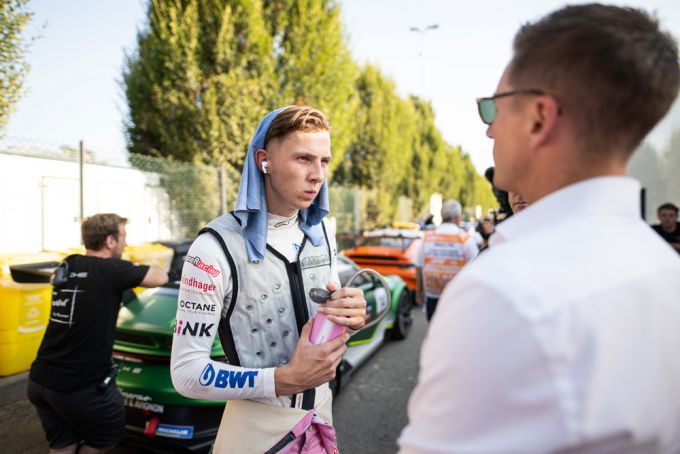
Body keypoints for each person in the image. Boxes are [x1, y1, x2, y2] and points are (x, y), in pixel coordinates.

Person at [400, 4, 680, 453]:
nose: (489, 130)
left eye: (492, 107)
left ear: (538, 118)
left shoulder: (501, 294)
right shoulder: (666, 269)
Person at [170, 106, 366, 453]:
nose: (317, 175)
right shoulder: (212, 248)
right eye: (304, 158)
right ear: (264, 160)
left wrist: (349, 318)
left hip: (320, 417)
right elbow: (186, 373)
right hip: (254, 433)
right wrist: (283, 379)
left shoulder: (322, 230)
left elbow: (327, 328)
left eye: (324, 161)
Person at [27, 213, 168, 454]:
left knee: (63, 444)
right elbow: (160, 276)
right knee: (107, 437)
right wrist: (132, 266)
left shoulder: (69, 263)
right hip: (79, 387)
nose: (126, 244)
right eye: (123, 237)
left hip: (40, 381)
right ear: (110, 241)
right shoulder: (111, 270)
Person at [415, 200, 478, 321]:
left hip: (432, 297)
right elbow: (475, 270)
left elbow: (418, 267)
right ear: (457, 217)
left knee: (434, 334)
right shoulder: (466, 239)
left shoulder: (427, 238)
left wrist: (419, 292)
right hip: (457, 298)